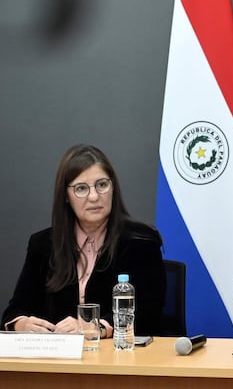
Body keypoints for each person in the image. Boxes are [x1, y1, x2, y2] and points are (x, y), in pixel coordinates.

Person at [2, 144, 166, 337]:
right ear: (66, 196)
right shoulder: (43, 244)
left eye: (102, 185)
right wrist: (21, 324)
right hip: (59, 361)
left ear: (113, 188)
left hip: (120, 359)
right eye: (81, 188)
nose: (94, 196)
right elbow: (15, 310)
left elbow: (147, 315)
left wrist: (96, 328)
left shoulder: (141, 242)